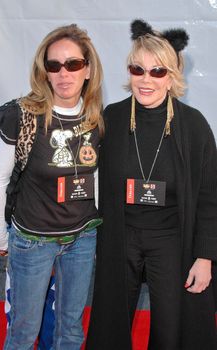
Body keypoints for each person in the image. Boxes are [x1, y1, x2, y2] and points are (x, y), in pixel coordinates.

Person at [86, 19, 217, 350]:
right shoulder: (111, 120)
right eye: (137, 69)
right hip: (120, 236)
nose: (146, 80)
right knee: (110, 324)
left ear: (172, 77)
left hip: (172, 239)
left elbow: (209, 196)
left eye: (157, 71)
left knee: (174, 330)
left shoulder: (194, 126)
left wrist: (205, 257)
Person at [0, 23, 103, 349]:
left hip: (81, 239)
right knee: (24, 331)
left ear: (88, 69)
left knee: (71, 328)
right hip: (32, 240)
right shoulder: (24, 115)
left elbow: (97, 178)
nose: (64, 73)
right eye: (54, 65)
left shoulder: (96, 117)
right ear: (45, 72)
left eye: (73, 64)